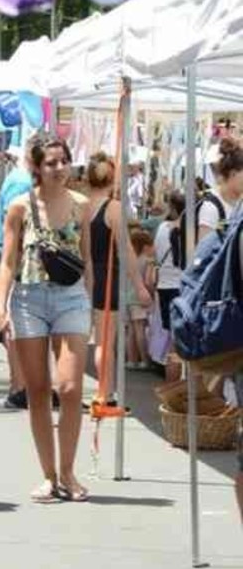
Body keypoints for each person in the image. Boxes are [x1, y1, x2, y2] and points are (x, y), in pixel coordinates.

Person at [0, 138, 94, 503]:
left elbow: (87, 259)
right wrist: (2, 308)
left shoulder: (81, 205)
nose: (59, 168)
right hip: (29, 299)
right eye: (51, 162)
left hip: (71, 298)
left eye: (64, 161)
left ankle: (68, 470)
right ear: (37, 167)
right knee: (37, 391)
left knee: (69, 388)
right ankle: (49, 475)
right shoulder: (20, 207)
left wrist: (92, 302)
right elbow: (8, 260)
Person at [85, 153, 152, 405]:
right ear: (112, 178)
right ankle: (106, 393)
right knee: (105, 341)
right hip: (106, 278)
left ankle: (101, 391)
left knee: (91, 339)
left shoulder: (82, 204)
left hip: (84, 277)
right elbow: (126, 251)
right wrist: (139, 286)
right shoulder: (112, 209)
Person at [0, 151, 36, 410]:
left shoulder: (17, 179)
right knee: (17, 322)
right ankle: (19, 385)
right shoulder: (22, 183)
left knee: (19, 321)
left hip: (18, 257)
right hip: (20, 259)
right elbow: (16, 226)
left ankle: (20, 384)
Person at [153, 191, 186, 382]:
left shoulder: (162, 228)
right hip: (182, 286)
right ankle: (176, 391)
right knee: (179, 342)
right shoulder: (189, 228)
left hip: (165, 286)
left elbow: (157, 255)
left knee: (173, 341)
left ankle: (171, 387)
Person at [126, 228, 155, 371]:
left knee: (131, 331)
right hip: (140, 298)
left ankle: (131, 360)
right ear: (145, 246)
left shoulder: (130, 260)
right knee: (140, 330)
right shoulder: (147, 261)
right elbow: (149, 281)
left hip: (128, 297)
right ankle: (144, 360)